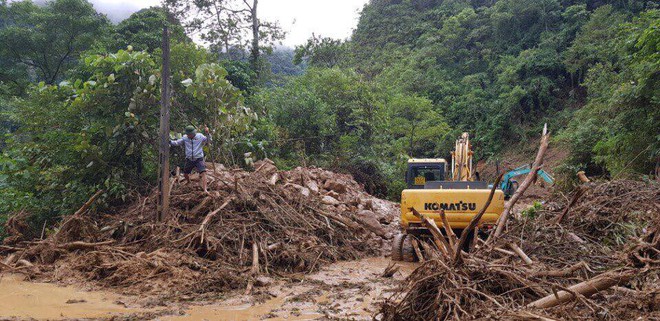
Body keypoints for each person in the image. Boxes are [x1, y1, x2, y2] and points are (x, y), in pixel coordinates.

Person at [170, 125, 211, 193]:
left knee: (203, 173)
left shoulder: (200, 136)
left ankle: (205, 189)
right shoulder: (185, 138)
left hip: (198, 158)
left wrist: (208, 133)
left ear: (193, 133)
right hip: (189, 159)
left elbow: (208, 141)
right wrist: (169, 141)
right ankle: (189, 181)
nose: (188, 135)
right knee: (186, 174)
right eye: (188, 134)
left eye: (190, 134)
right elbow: (177, 143)